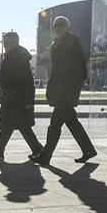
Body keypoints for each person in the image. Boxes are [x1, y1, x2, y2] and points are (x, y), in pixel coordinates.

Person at [31, 16, 96, 165]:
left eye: (61, 25)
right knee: (72, 123)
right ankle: (88, 150)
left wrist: (71, 89)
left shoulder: (71, 41)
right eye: (56, 25)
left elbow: (78, 68)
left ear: (67, 27)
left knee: (55, 125)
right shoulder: (58, 42)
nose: (58, 28)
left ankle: (46, 156)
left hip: (66, 92)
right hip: (62, 91)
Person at [0, 31, 43, 161]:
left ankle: (36, 150)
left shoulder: (17, 58)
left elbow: (27, 81)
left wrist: (29, 101)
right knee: (12, 126)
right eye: (4, 42)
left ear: (14, 43)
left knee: (14, 126)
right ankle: (34, 150)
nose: (5, 45)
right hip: (13, 99)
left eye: (7, 43)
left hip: (17, 100)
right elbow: (0, 77)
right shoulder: (12, 57)